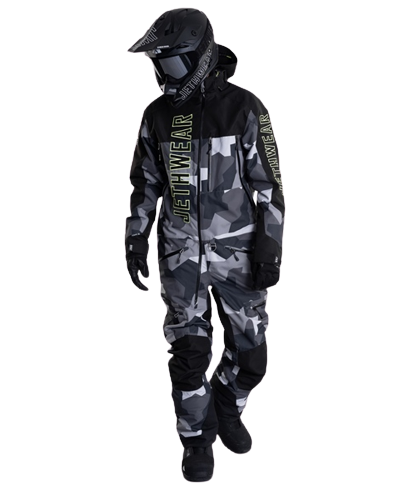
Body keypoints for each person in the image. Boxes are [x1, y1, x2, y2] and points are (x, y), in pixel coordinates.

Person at [125, 7, 284, 482]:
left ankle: (226, 407)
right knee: (187, 357)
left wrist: (270, 245)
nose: (165, 75)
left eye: (174, 63)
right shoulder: (156, 116)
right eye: (159, 65)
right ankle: (195, 441)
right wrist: (135, 237)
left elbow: (270, 184)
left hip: (239, 251)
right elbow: (143, 182)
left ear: (202, 56)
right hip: (180, 257)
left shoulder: (245, 107)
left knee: (252, 357)